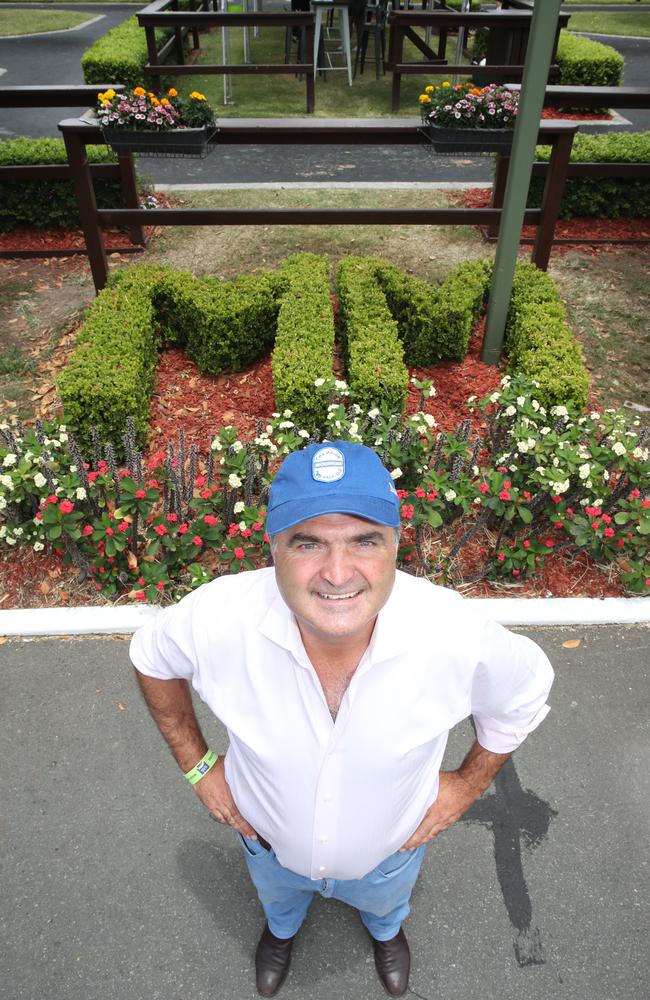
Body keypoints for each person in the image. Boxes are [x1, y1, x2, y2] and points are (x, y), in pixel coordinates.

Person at [130, 441, 554, 998]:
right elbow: (151, 658)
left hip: (390, 857)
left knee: (387, 904)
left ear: (397, 545)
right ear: (273, 547)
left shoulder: (454, 634)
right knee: (278, 902)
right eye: (308, 542)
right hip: (267, 846)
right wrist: (199, 766)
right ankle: (281, 932)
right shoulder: (217, 617)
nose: (336, 573)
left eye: (364, 540)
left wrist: (466, 787)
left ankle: (386, 931)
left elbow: (524, 692)